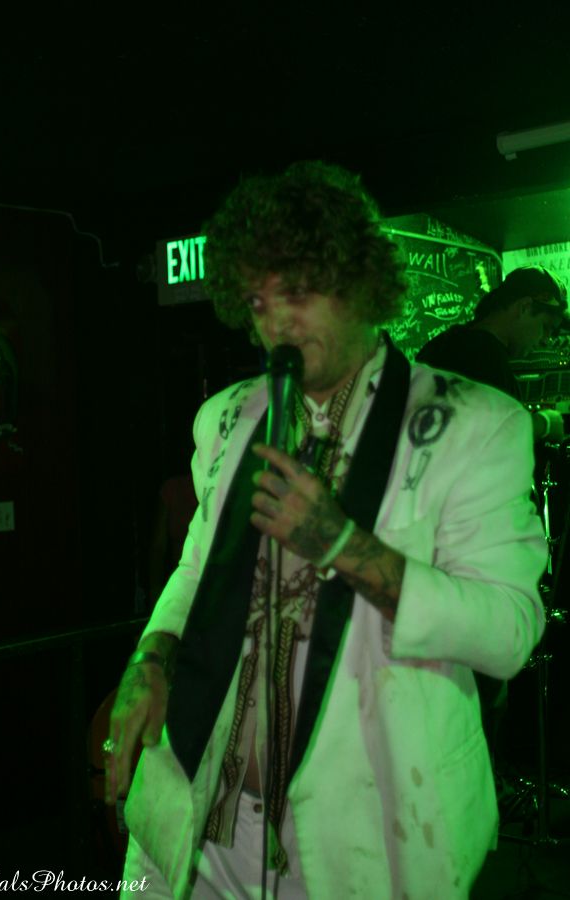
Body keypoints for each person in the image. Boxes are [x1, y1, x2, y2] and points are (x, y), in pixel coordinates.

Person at [104, 162, 547, 899]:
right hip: (206, 825)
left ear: (363, 283)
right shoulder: (226, 418)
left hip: (371, 841)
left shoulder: (475, 423)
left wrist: (345, 546)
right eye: (257, 299)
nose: (275, 324)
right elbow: (197, 568)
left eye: (299, 293)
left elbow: (509, 632)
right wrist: (151, 658)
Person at [416, 265, 568, 441]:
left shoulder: (447, 343)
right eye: (546, 327)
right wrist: (544, 424)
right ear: (524, 307)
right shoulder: (484, 358)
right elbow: (488, 436)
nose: (546, 340)